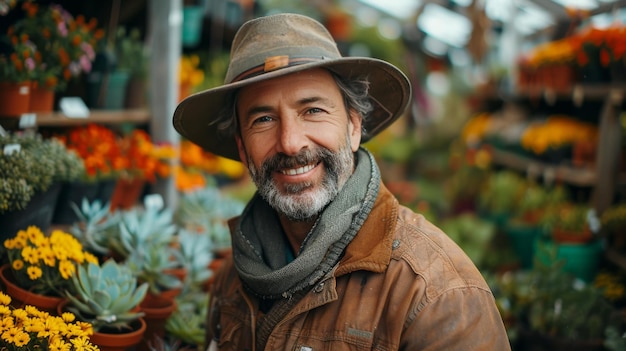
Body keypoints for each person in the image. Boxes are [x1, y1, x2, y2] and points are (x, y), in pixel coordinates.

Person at [173, 12, 511, 351]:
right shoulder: (232, 277)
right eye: (263, 119)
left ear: (353, 127)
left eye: (313, 111)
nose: (291, 142)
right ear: (243, 149)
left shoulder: (434, 293)